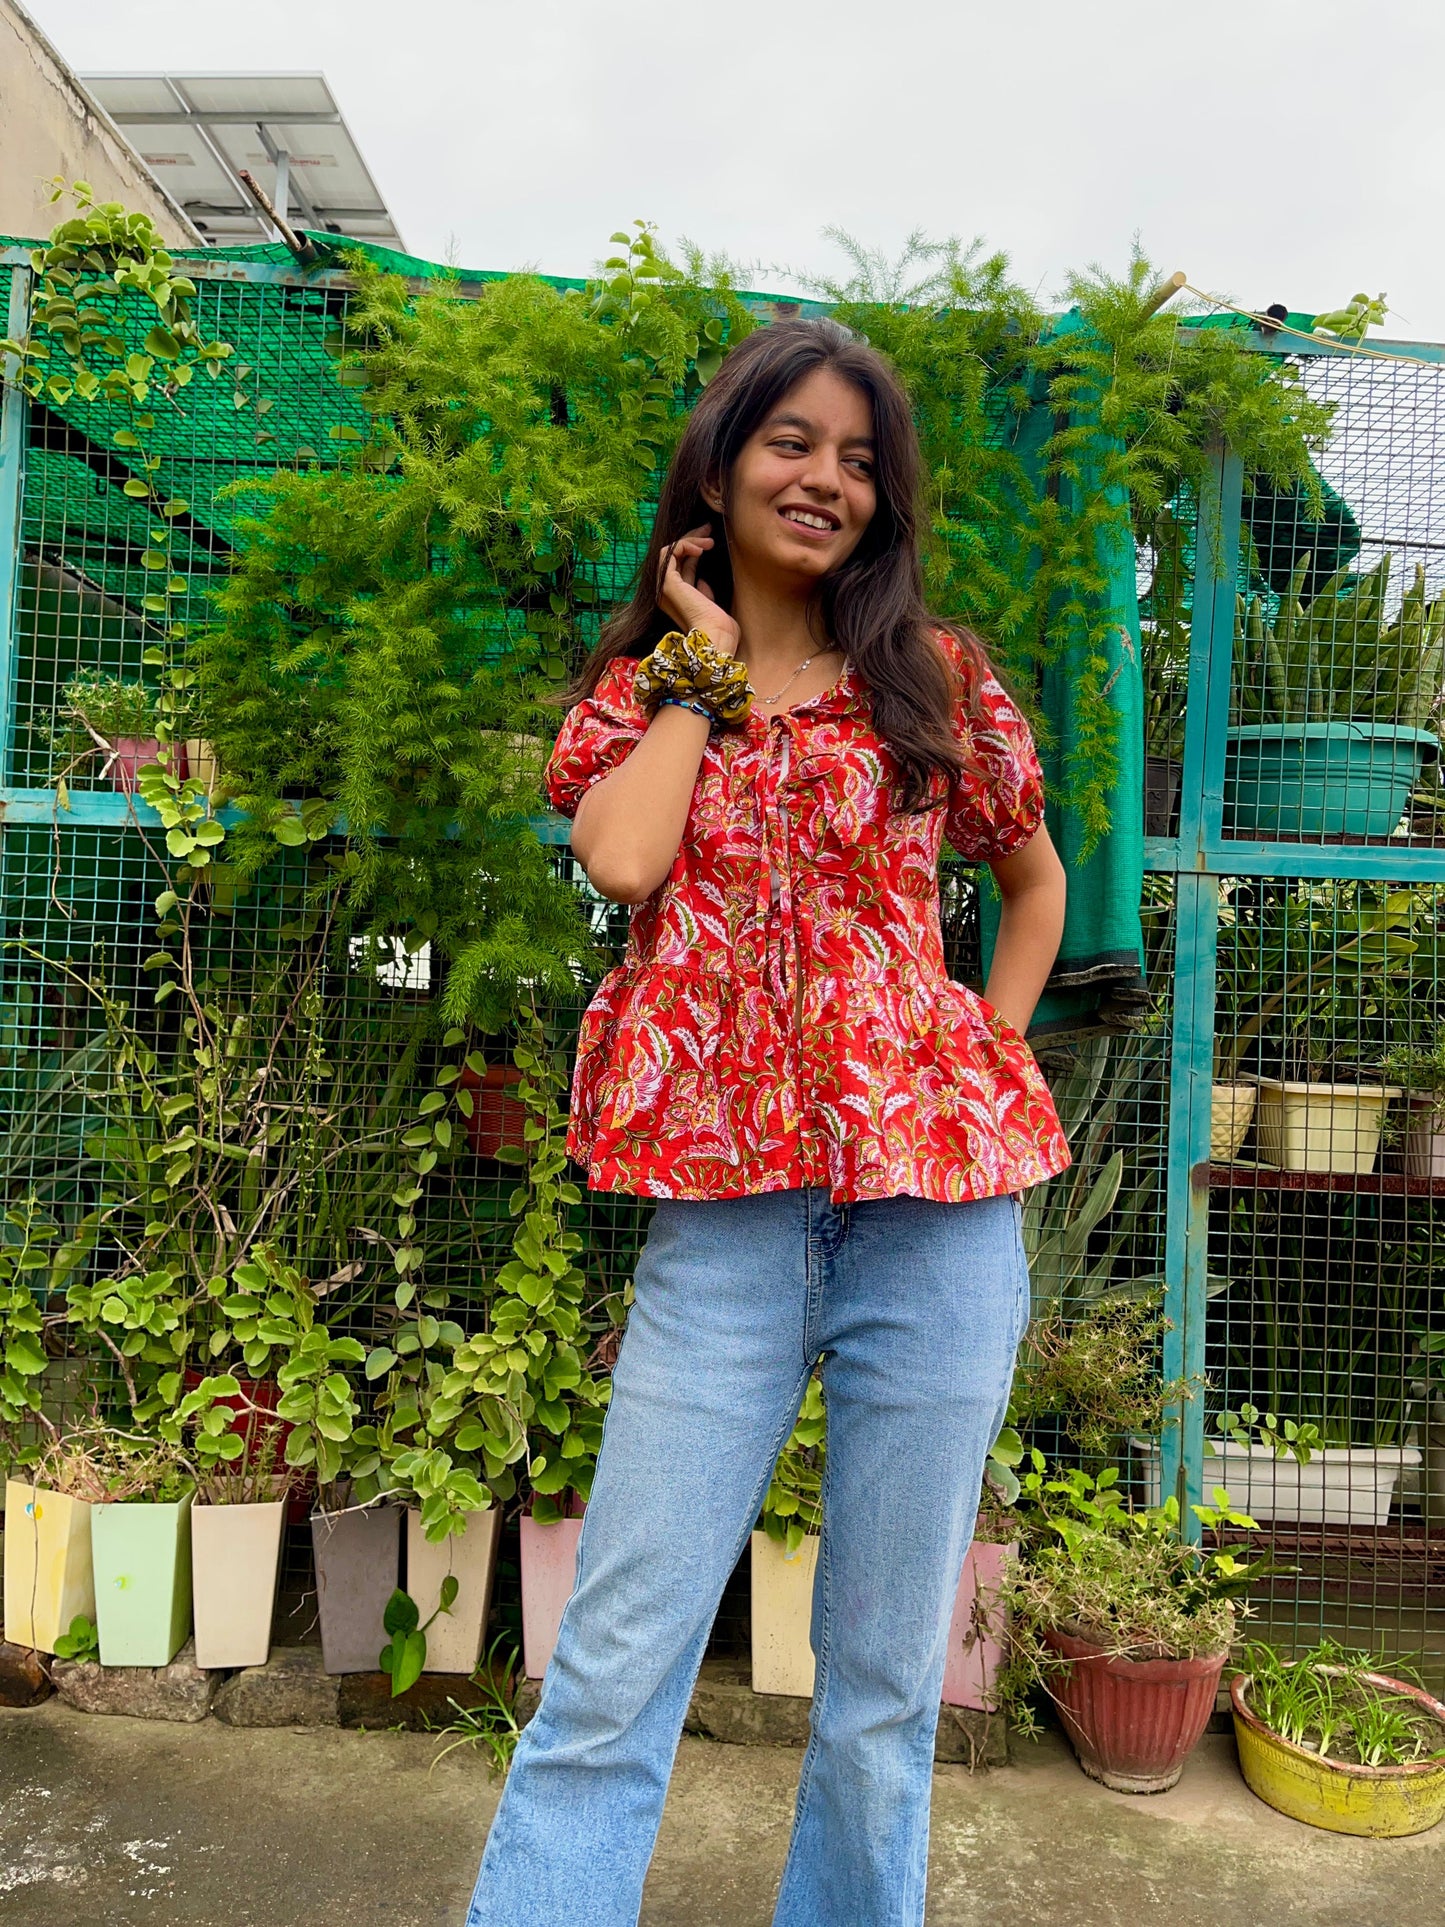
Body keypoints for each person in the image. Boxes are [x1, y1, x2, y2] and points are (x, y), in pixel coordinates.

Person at [465, 317, 1070, 1927]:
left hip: (934, 1220)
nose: (826, 479)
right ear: (722, 466)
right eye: (792, 443)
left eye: (860, 459)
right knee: (612, 1663)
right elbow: (621, 863)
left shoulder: (932, 677)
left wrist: (974, 1054)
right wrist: (695, 673)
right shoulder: (640, 692)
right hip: (725, 1227)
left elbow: (1031, 881)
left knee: (880, 1687)